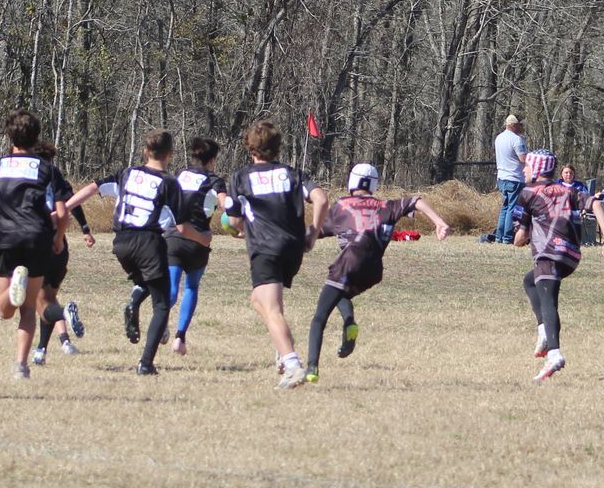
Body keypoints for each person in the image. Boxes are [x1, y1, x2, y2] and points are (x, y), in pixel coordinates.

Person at [62, 130, 209, 376]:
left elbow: (92, 188)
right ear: (170, 154)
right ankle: (146, 363)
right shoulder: (168, 182)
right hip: (148, 241)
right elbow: (182, 227)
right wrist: (203, 238)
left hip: (121, 243)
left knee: (145, 282)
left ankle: (134, 301)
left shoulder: (127, 173)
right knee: (162, 304)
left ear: (145, 151)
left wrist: (65, 207)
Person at [302, 163, 453, 382]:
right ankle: (349, 324)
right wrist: (440, 222)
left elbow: (316, 231)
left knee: (319, 317)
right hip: (373, 270)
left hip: (349, 263)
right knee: (341, 294)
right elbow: (416, 200)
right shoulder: (386, 206)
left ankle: (311, 369)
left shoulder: (342, 206)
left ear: (352, 181)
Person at [225, 121, 330, 388]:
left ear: (251, 149)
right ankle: (283, 352)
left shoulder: (240, 177)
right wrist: (313, 233)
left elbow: (234, 220)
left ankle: (293, 365)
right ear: (276, 147)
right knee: (259, 300)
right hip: (293, 248)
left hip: (265, 247)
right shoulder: (292, 174)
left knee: (270, 307)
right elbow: (321, 199)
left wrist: (239, 230)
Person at [0, 112, 67, 380]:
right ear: (36, 137)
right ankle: (21, 366)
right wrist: (57, 240)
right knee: (29, 308)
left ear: (9, 136)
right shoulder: (47, 169)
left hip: (5, 239)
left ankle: (12, 290)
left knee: (5, 310)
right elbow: (63, 212)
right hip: (37, 238)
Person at [513, 149, 604, 381]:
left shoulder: (528, 193)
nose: (523, 170)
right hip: (571, 256)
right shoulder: (569, 191)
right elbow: (597, 205)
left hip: (548, 254)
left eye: (527, 166)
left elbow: (520, 237)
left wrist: (521, 237)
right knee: (530, 281)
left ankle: (555, 353)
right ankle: (544, 333)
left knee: (549, 301)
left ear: (537, 170)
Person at [31, 145, 93, 365]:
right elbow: (72, 204)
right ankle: (50, 347)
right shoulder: (56, 177)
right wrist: (85, 229)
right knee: (48, 297)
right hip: (60, 245)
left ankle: (64, 317)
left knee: (41, 300)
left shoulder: (31, 178)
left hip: (38, 242)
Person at [160, 137, 223, 356]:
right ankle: (180, 338)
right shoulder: (214, 180)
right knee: (191, 287)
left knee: (171, 288)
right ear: (212, 160)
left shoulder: (180, 175)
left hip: (175, 237)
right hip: (199, 241)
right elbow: (226, 203)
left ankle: (160, 322)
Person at [483, 114, 528, 244]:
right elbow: (523, 159)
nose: (522, 126)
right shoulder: (517, 140)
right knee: (512, 209)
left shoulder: (499, 138)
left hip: (501, 178)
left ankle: (499, 237)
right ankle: (507, 238)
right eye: (520, 124)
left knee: (505, 207)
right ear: (513, 125)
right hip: (514, 178)